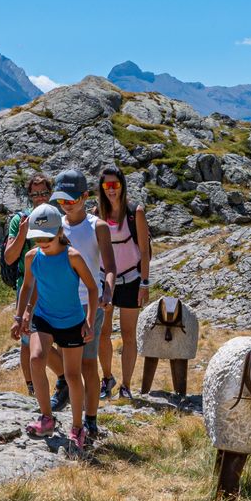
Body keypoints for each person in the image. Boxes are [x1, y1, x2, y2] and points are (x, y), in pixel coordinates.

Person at [12, 204, 99, 450]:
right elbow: (27, 287)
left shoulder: (72, 256)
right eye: (37, 238)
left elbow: (93, 288)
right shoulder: (32, 258)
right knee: (36, 359)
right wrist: (20, 316)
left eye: (47, 237)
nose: (42, 242)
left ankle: (77, 428)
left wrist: (90, 320)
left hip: (72, 321)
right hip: (44, 318)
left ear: (59, 231)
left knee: (72, 375)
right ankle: (46, 417)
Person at [52, 168, 115, 441]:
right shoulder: (55, 225)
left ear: (85, 196)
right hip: (60, 304)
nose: (66, 205)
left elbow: (110, 266)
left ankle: (90, 420)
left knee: (88, 366)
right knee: (64, 363)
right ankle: (65, 389)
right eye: (61, 201)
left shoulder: (97, 226)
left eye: (71, 200)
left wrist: (108, 292)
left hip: (89, 305)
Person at [95, 166, 151, 400]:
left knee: (128, 334)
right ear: (101, 188)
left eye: (115, 185)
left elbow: (145, 251)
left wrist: (144, 283)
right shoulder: (97, 212)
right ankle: (107, 379)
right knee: (103, 332)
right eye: (106, 186)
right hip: (104, 279)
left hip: (130, 279)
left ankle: (126, 386)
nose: (111, 190)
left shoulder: (134, 212)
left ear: (122, 186)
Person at [1, 173, 58, 396]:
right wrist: (23, 233)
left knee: (57, 336)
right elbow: (9, 257)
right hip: (28, 283)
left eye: (44, 192)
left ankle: (63, 383)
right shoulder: (20, 220)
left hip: (55, 283)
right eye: (35, 194)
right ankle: (33, 388)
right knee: (27, 339)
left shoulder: (56, 215)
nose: (40, 198)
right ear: (29, 196)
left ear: (50, 193)